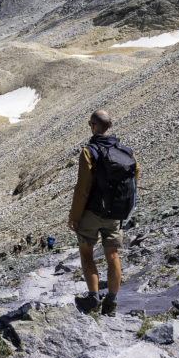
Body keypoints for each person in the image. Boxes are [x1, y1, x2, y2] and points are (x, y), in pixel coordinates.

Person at [69, 109, 138, 317]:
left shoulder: (89, 152)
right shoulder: (127, 152)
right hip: (115, 213)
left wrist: (74, 216)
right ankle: (113, 302)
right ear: (111, 125)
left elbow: (83, 189)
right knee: (113, 255)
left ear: (92, 126)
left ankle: (93, 298)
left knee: (86, 253)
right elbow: (134, 182)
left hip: (92, 212)